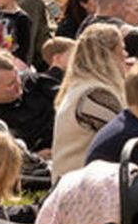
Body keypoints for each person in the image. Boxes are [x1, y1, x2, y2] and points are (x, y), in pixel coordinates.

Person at [48, 25, 128, 182]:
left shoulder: (81, 86)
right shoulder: (95, 95)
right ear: (109, 55)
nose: (126, 55)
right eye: (122, 49)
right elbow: (127, 136)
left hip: (75, 181)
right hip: (82, 187)